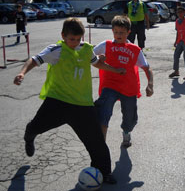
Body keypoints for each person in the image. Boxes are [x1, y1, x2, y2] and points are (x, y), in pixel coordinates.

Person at [13, 17, 126, 184]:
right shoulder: (56, 50)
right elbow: (34, 60)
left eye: (78, 39)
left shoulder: (86, 49)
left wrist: (114, 69)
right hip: (58, 102)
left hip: (82, 105)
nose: (75, 42)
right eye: (72, 39)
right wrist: (22, 73)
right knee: (35, 127)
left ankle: (103, 172)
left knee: (96, 141)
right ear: (63, 35)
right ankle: (29, 135)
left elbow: (97, 64)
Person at [94, 15, 153, 147]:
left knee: (130, 118)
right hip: (110, 86)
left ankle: (127, 131)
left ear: (128, 32)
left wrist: (150, 85)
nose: (118, 35)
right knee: (103, 113)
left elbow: (147, 68)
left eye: (121, 32)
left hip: (128, 88)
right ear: (112, 31)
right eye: (116, 32)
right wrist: (99, 59)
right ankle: (100, 147)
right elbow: (89, 56)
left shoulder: (134, 49)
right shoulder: (106, 45)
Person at [169, 6, 185, 80]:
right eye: (178, 12)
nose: (179, 13)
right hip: (180, 41)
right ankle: (176, 71)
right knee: (176, 55)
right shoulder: (177, 21)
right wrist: (175, 41)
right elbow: (178, 31)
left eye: (181, 12)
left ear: (184, 12)